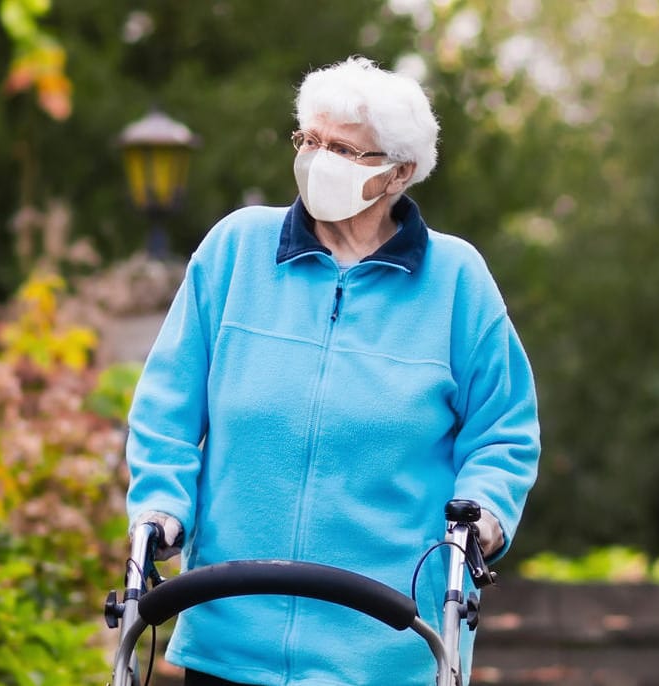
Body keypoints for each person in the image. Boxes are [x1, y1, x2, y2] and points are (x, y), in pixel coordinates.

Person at [124, 56, 541, 686]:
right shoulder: (236, 252)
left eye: (342, 147)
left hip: (385, 646)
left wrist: (482, 513)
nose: (317, 159)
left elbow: (504, 430)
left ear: (398, 173)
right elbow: (167, 406)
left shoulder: (457, 282)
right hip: (229, 631)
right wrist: (162, 502)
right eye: (308, 140)